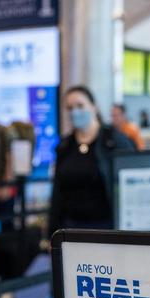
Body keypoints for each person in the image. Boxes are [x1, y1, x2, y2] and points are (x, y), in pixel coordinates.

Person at [48, 86, 133, 232]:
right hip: (70, 228)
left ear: (94, 107)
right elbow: (57, 192)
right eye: (69, 108)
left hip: (106, 228)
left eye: (80, 105)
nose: (75, 112)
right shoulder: (65, 145)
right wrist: (52, 231)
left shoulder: (115, 141)